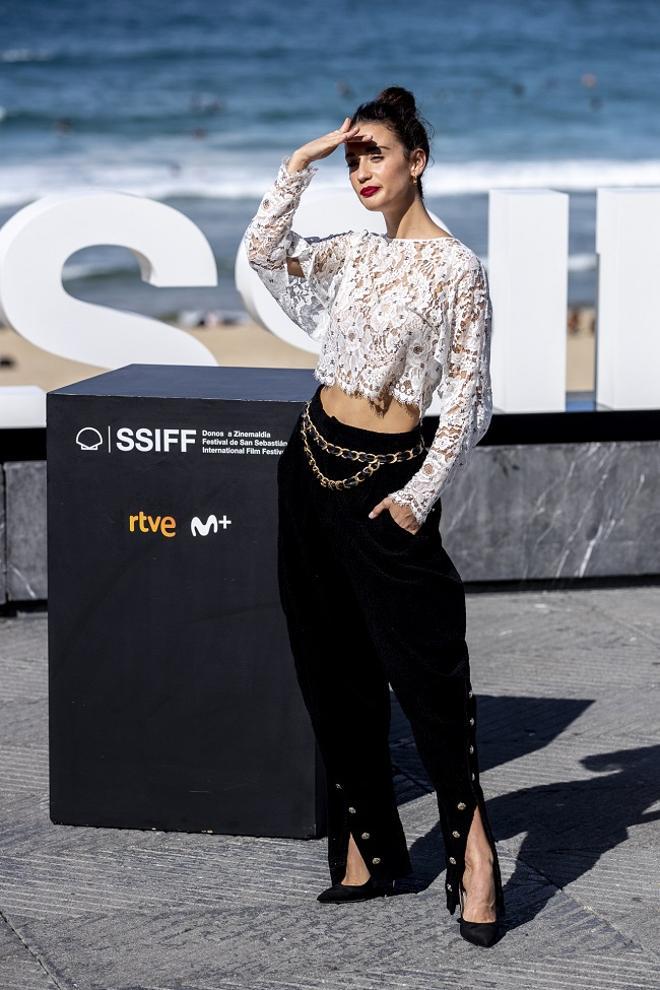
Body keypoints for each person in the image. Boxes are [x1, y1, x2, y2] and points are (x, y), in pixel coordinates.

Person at [244, 86, 505, 948]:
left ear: (416, 162)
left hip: (388, 485)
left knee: (430, 675)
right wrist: (299, 165)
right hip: (309, 461)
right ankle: (371, 846)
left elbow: (463, 399)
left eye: (375, 156)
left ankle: (474, 856)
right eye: (353, 159)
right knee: (330, 663)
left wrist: (416, 495)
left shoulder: (457, 269)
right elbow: (262, 252)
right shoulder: (352, 251)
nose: (361, 172)